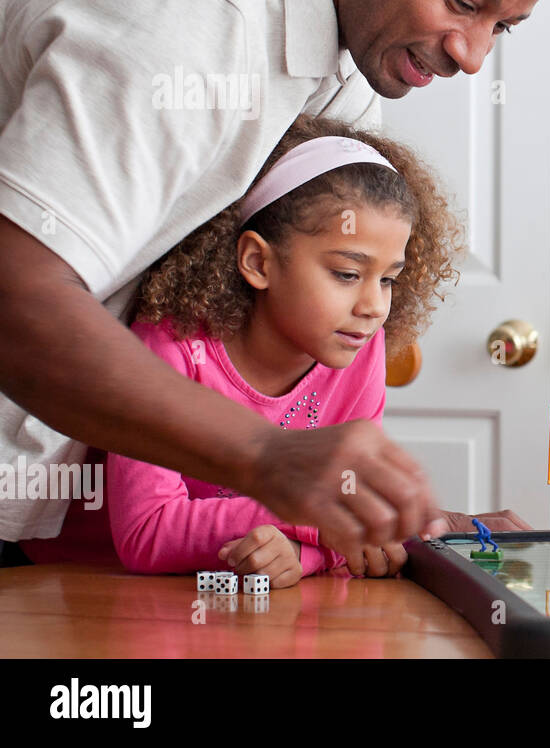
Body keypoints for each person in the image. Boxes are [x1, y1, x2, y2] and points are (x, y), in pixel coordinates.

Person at [0, 0, 550, 566]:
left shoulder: (342, 17)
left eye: (503, 26)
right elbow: (16, 296)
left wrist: (412, 525)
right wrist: (266, 458)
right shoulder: (191, 23)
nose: (473, 57)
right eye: (465, 1)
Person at [20, 114, 510, 582]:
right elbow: (147, 533)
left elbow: (350, 520)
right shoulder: (175, 344)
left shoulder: (361, 352)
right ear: (258, 262)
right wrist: (317, 521)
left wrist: (305, 554)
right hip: (81, 587)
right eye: (346, 273)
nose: (372, 306)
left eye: (387, 280)